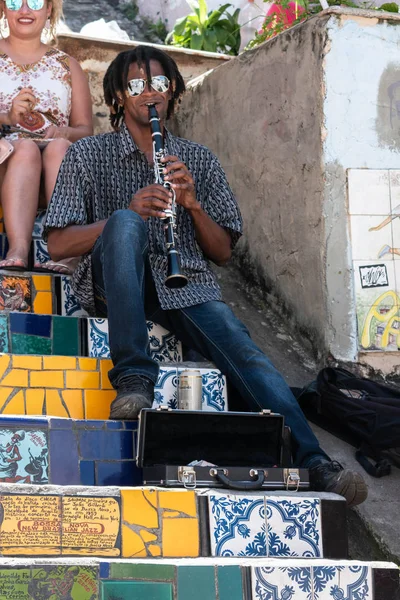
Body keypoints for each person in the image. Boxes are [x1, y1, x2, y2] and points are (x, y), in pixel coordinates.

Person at [44, 46, 368, 507]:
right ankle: (135, 379)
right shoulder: (87, 155)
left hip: (186, 283)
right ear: (117, 96)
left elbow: (222, 252)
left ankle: (315, 463)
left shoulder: (198, 159)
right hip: (116, 285)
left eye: (158, 83)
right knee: (124, 224)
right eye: (135, 85)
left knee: (247, 355)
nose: (148, 93)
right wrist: (126, 212)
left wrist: (192, 203)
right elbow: (56, 244)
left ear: (173, 92)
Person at [0, 0, 93, 273]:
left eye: (36, 2)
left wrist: (62, 131)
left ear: (50, 9)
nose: (25, 10)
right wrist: (6, 117)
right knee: (26, 149)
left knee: (60, 148)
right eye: (16, 1)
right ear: (3, 7)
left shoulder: (68, 66)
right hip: (6, 157)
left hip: (55, 161)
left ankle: (65, 249)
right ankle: (19, 247)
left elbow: (85, 131)